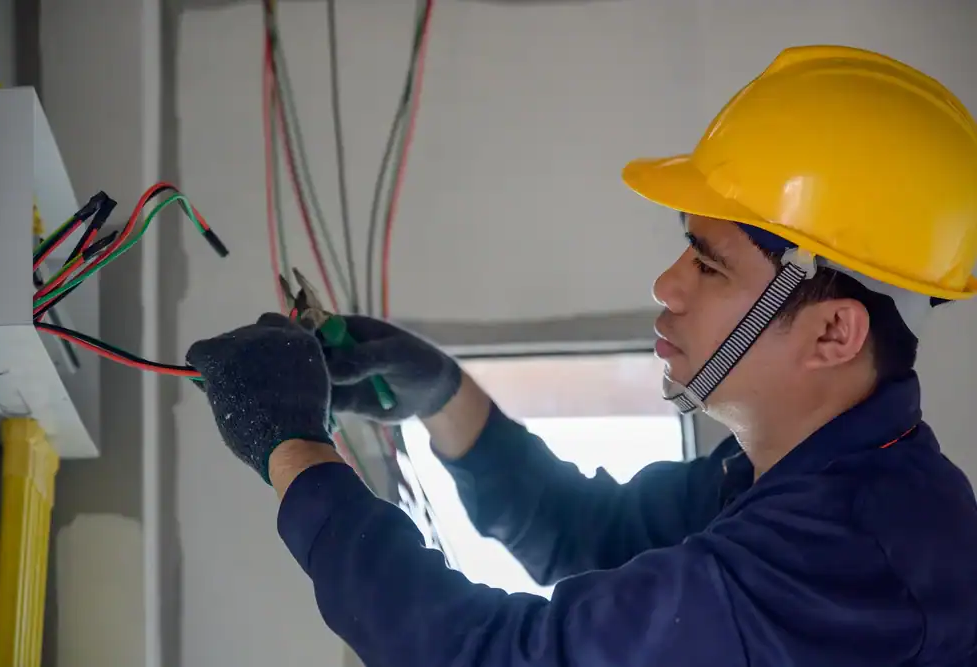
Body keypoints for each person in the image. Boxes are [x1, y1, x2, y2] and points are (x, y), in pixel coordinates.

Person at [188, 45, 977, 666]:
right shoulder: (787, 477)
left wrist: (291, 446)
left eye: (708, 264)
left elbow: (493, 659)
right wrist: (442, 391)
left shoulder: (854, 552)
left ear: (833, 333)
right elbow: (583, 533)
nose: (667, 284)